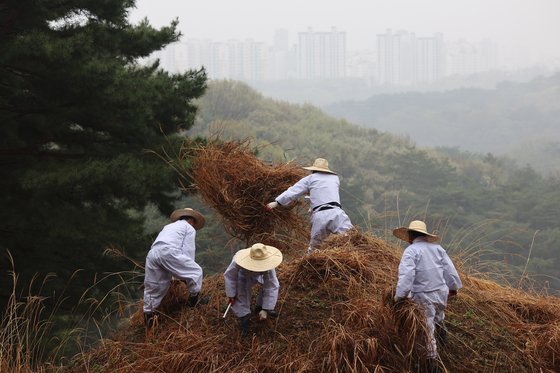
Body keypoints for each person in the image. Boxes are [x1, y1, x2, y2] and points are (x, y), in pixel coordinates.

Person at [393, 220, 462, 372]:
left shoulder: (411, 251)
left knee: (426, 331)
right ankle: (444, 344)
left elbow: (406, 276)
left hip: (423, 296)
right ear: (425, 235)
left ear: (410, 235)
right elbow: (450, 270)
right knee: (438, 317)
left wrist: (399, 297)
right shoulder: (437, 249)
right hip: (440, 293)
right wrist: (453, 287)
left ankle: (430, 364)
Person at [265, 158, 353, 253]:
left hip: (320, 216)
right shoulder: (335, 179)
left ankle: (308, 264)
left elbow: (293, 191)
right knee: (351, 238)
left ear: (312, 170)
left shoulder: (310, 179)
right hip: (337, 213)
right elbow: (323, 192)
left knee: (315, 248)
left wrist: (277, 202)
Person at [143, 208, 208, 329]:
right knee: (195, 271)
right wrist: (186, 273)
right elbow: (188, 250)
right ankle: (193, 303)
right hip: (169, 252)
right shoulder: (189, 228)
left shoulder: (168, 226)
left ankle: (149, 320)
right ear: (191, 220)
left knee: (154, 286)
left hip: (152, 254)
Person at [224, 243, 282, 337]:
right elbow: (230, 276)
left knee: (267, 287)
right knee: (241, 291)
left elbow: (271, 285)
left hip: (259, 275)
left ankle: (261, 307)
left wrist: (266, 308)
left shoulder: (268, 266)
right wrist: (231, 294)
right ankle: (244, 316)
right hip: (243, 275)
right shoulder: (238, 260)